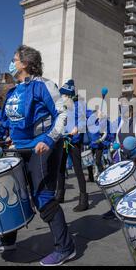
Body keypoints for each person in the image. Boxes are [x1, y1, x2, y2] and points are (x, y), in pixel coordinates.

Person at [0, 45, 76, 266]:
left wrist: (48, 139)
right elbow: (12, 121)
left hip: (42, 148)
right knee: (12, 193)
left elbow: (62, 115)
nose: (11, 63)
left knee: (43, 197)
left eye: (14, 59)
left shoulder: (44, 85)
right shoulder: (14, 90)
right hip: (19, 149)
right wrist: (10, 137)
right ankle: (8, 240)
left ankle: (66, 247)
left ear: (25, 63)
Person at [55, 80, 90, 212]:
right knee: (60, 168)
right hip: (62, 140)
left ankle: (84, 199)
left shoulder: (79, 105)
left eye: (64, 95)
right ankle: (60, 194)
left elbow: (83, 121)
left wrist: (77, 128)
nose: (62, 97)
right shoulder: (61, 106)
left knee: (77, 169)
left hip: (73, 141)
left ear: (69, 95)